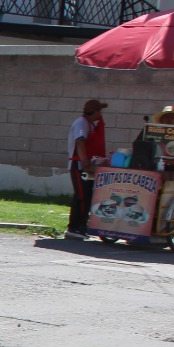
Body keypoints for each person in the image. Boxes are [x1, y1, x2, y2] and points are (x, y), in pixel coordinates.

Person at [67, 98, 108, 240]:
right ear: (95, 112)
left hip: (86, 166)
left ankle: (82, 225)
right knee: (81, 196)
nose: (101, 114)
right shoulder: (82, 123)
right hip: (78, 165)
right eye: (100, 111)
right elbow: (80, 142)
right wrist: (85, 163)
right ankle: (74, 227)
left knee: (87, 195)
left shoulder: (90, 124)